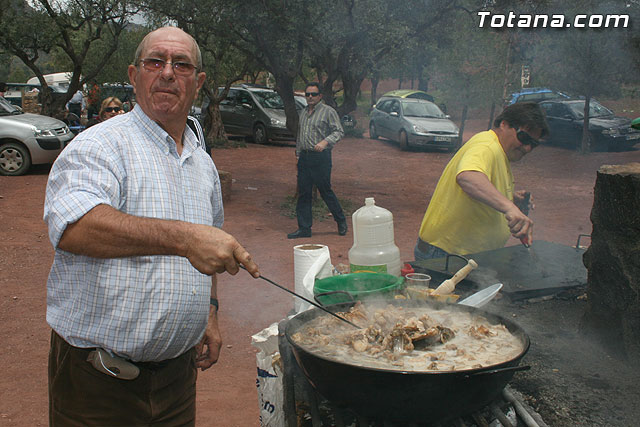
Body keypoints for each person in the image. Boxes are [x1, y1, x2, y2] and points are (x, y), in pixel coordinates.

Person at [43, 26, 260, 426]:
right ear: (133, 74)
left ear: (199, 82)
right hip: (97, 383)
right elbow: (75, 228)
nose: (167, 73)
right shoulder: (99, 145)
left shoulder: (202, 163)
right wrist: (184, 237)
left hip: (177, 380)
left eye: (181, 65)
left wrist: (210, 312)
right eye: (155, 62)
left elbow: (206, 250)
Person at [414, 102, 550, 260]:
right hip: (446, 255)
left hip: (464, 255)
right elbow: (468, 177)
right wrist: (509, 207)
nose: (527, 148)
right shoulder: (486, 146)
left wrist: (511, 199)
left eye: (533, 144)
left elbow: (480, 187)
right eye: (524, 138)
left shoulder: (498, 151)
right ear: (504, 124)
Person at [287, 82, 348, 239]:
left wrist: (325, 142)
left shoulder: (328, 112)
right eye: (307, 94)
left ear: (320, 96)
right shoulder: (303, 112)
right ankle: (304, 228)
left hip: (321, 157)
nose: (310, 97)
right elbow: (301, 135)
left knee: (325, 191)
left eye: (313, 94)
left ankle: (341, 221)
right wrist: (298, 154)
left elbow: (339, 131)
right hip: (305, 157)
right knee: (304, 193)